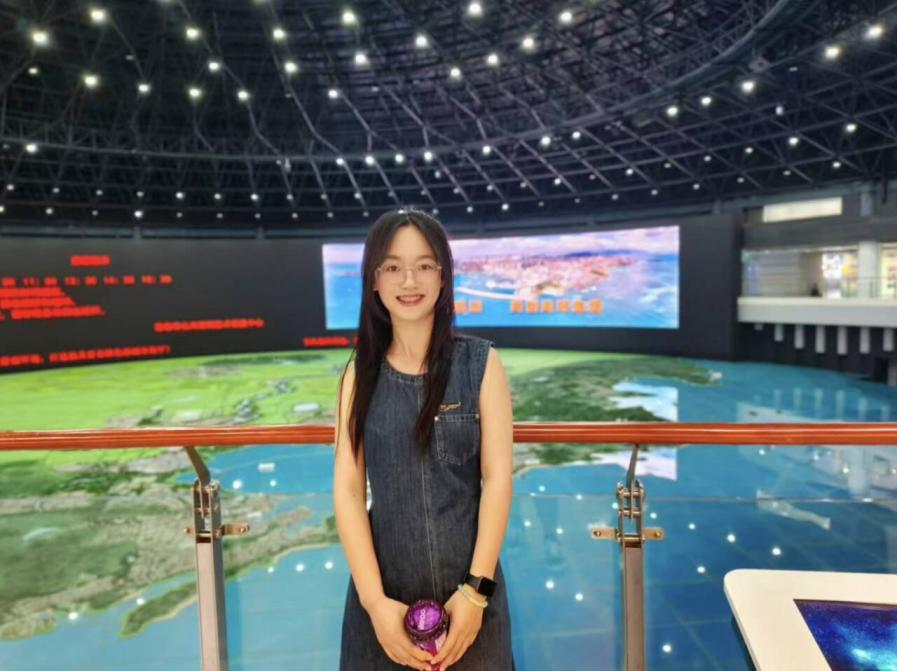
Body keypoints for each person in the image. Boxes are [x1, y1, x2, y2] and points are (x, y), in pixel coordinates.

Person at [333, 209, 516, 670]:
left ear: (443, 276)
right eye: (393, 266)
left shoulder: (481, 364)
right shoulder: (358, 376)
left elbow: (498, 479)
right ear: (374, 280)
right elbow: (348, 491)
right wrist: (375, 604)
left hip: (471, 598)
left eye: (424, 265)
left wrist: (475, 593)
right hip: (383, 603)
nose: (409, 280)